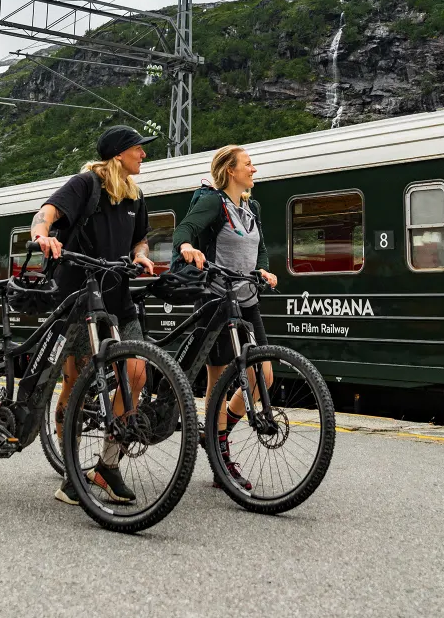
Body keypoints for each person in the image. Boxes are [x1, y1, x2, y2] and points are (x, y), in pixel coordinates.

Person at [30, 124, 156, 506]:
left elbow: (140, 237)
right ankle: (71, 470)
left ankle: (106, 464)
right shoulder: (85, 184)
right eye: (138, 149)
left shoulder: (135, 195)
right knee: (79, 382)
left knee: (136, 372)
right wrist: (42, 236)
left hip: (118, 297)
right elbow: (46, 212)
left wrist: (140, 255)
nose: (144, 155)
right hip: (79, 295)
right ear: (119, 154)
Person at [171, 144, 277, 489]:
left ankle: (216, 436)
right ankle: (221, 460)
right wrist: (186, 247)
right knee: (216, 384)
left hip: (246, 299)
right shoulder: (213, 202)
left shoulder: (251, 206)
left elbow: (258, 246)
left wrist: (262, 269)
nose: (254, 169)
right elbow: (184, 229)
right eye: (248, 164)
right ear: (230, 171)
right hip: (216, 300)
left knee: (265, 374)